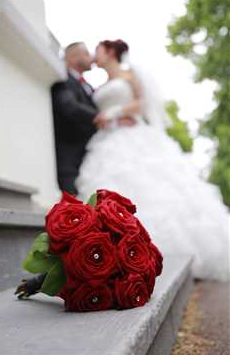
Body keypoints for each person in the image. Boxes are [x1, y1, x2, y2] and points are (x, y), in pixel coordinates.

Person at [76, 39, 230, 281]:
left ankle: (159, 252)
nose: (96, 55)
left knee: (152, 187)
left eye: (98, 50)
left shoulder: (129, 75)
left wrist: (116, 112)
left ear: (110, 52)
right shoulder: (100, 84)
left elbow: (142, 103)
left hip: (132, 135)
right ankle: (116, 253)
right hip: (106, 140)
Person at [52, 42, 135, 195]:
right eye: (86, 53)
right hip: (70, 158)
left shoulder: (88, 86)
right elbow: (68, 105)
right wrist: (104, 118)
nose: (91, 58)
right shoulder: (63, 78)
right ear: (73, 57)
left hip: (91, 152)